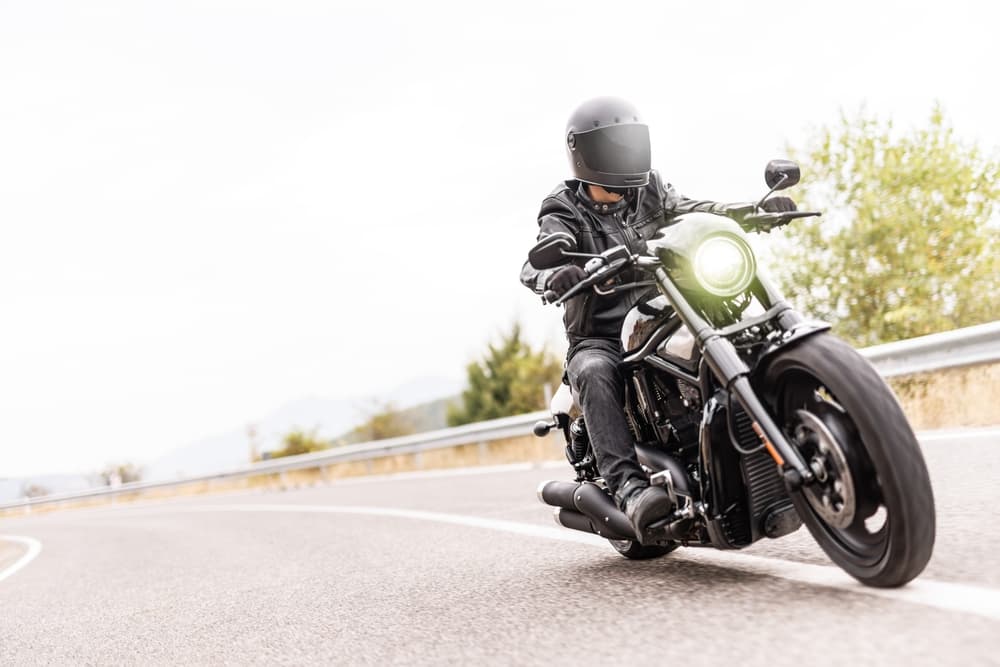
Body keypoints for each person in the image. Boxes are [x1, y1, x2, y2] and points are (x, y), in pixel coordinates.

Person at [520, 96, 795, 539]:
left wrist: (744, 213)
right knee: (590, 368)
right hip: (603, 332)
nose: (621, 153)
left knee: (737, 328)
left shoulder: (649, 187)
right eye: (610, 144)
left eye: (627, 142)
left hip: (662, 309)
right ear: (583, 154)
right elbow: (535, 262)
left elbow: (688, 209)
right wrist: (556, 274)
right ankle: (629, 487)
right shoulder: (563, 208)